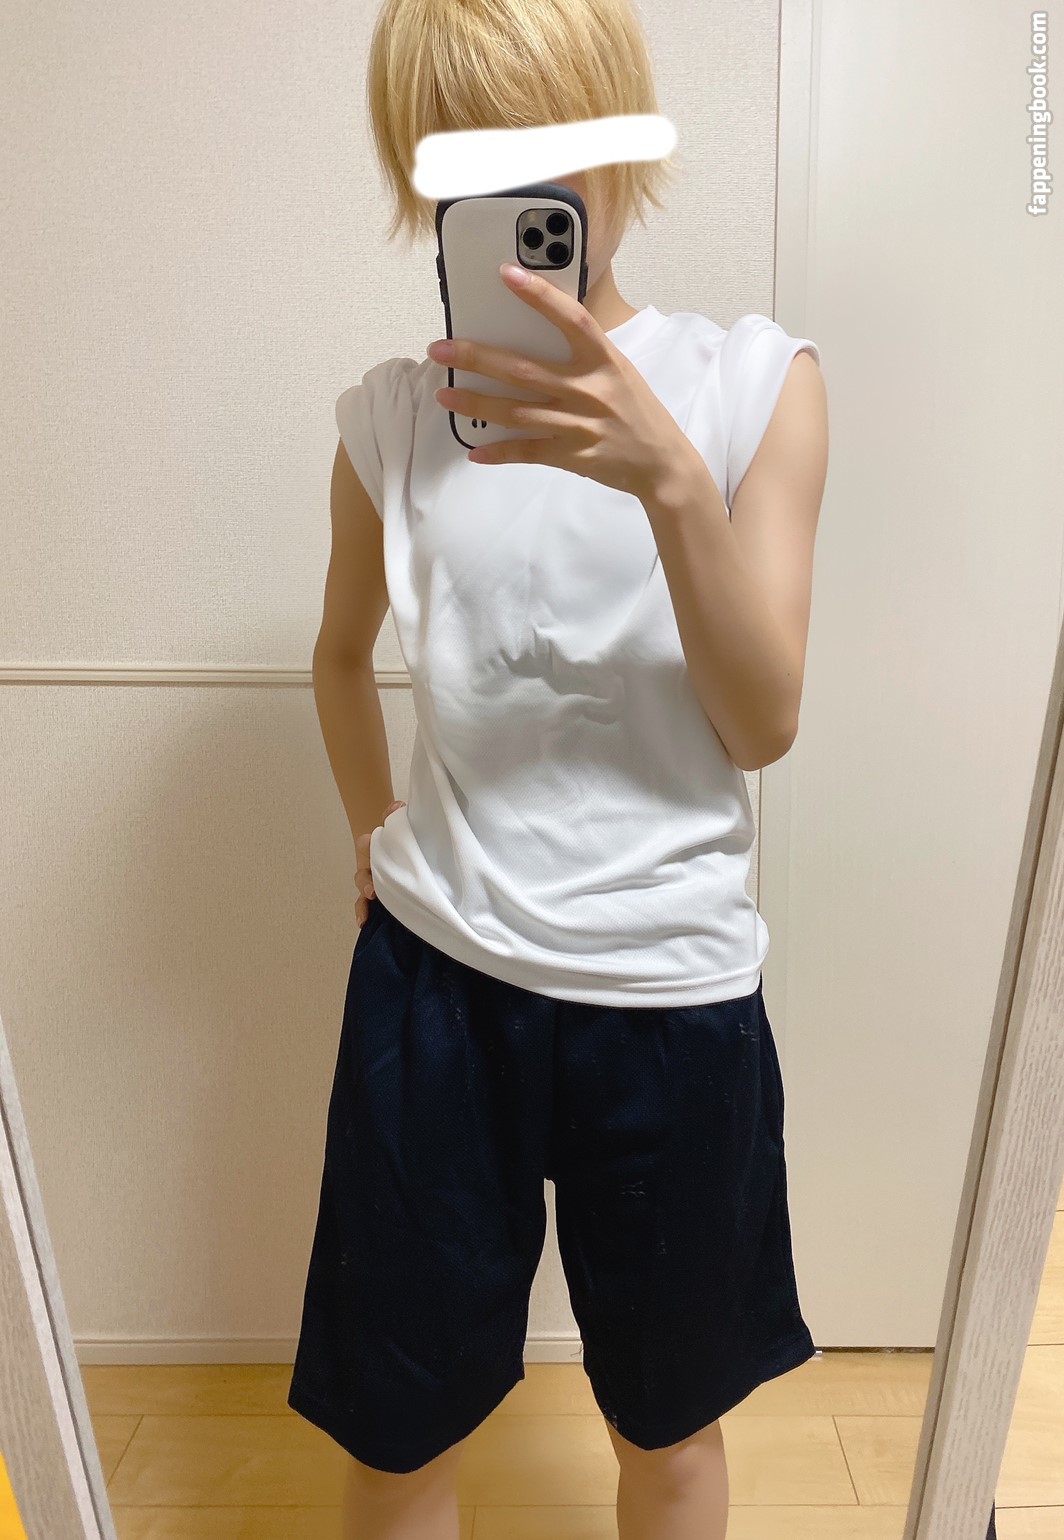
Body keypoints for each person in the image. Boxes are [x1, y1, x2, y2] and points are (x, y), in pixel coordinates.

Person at [288, 1, 829, 1536]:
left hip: (670, 996)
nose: (518, 186)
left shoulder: (752, 386)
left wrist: (669, 481)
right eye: (464, 156)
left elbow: (761, 724)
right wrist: (373, 828)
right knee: (398, 1434)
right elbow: (338, 656)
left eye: (549, 142)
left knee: (670, 1429)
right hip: (435, 988)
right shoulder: (393, 420)